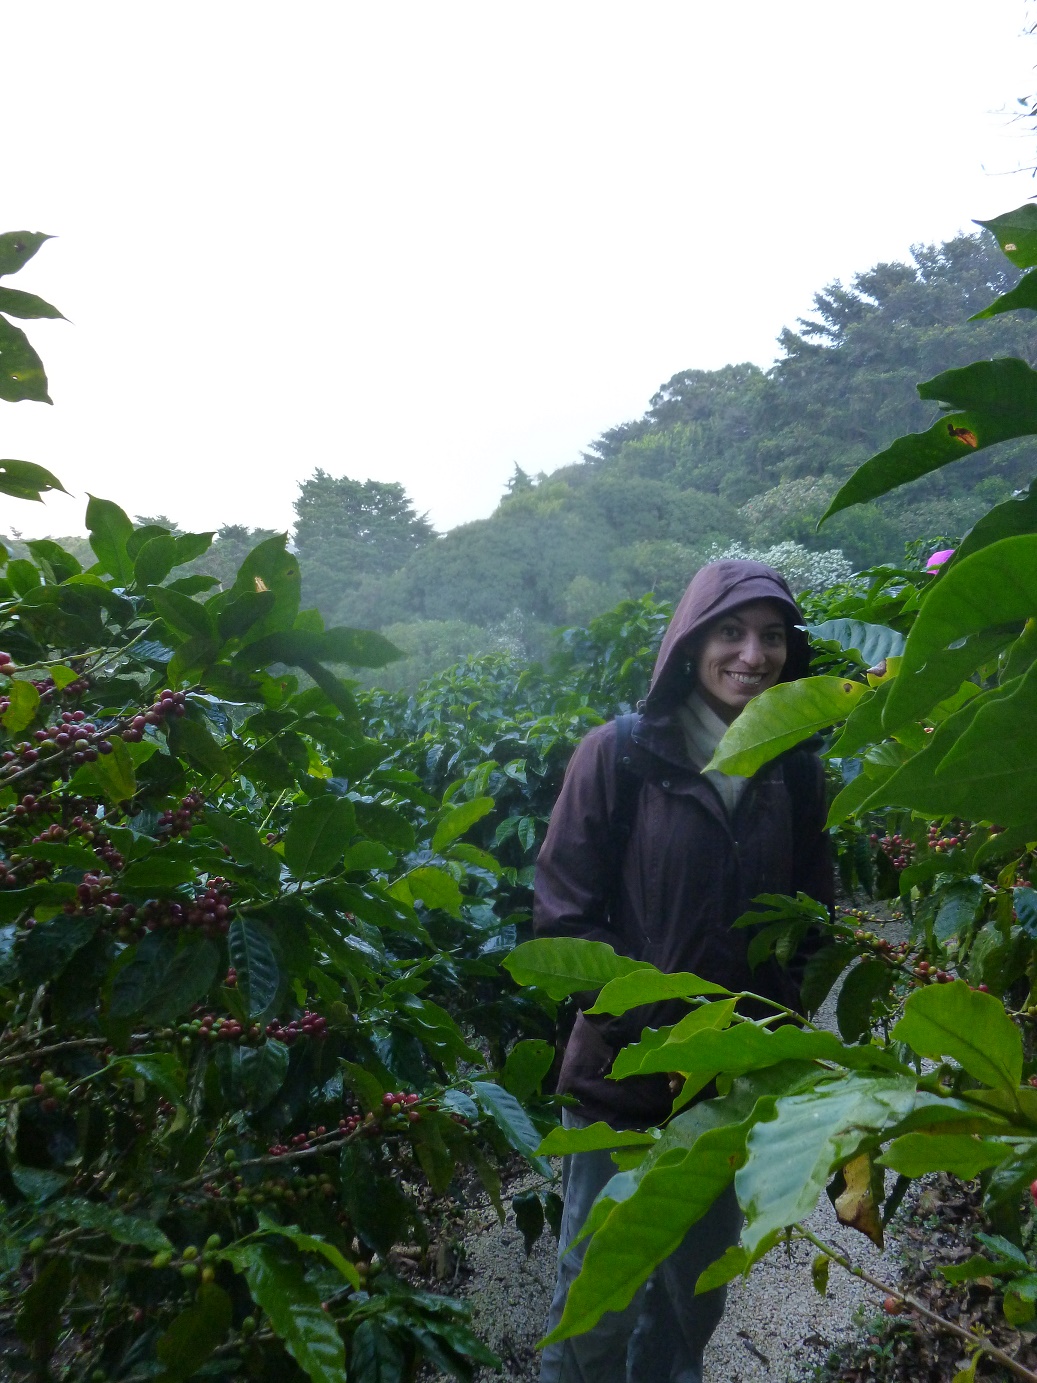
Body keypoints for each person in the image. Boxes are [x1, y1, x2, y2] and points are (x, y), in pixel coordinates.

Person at [534, 559, 834, 1383]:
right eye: (730, 632)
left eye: (771, 636)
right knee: (596, 1295)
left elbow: (813, 922)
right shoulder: (619, 756)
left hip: (731, 1089)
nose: (752, 655)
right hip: (623, 1079)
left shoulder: (794, 771)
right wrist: (659, 1037)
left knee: (690, 1296)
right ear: (691, 642)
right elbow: (565, 919)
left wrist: (764, 1042)